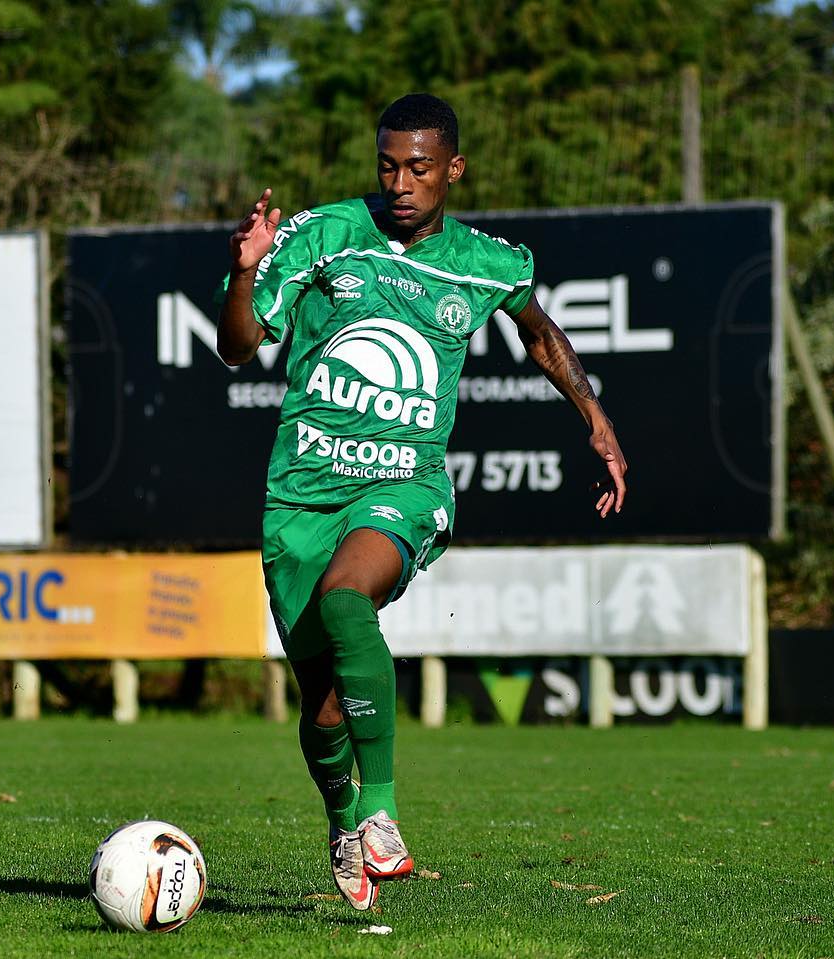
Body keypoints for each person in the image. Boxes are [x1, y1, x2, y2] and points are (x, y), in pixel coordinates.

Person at [216, 94, 628, 910]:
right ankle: (344, 824)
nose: (401, 183)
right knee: (324, 703)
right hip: (301, 495)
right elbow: (237, 347)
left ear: (454, 170)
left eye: (420, 168)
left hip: (406, 483)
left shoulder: (484, 261)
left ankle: (382, 810)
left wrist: (597, 418)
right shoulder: (322, 234)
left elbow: (539, 333)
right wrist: (246, 269)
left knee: (346, 597)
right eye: (388, 166)